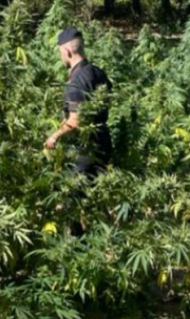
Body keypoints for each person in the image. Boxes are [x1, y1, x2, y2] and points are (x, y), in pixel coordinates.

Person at [44, 26, 114, 235]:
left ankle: (78, 247)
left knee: (70, 201)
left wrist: (54, 136)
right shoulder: (97, 72)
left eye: (60, 52)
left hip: (85, 149)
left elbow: (75, 121)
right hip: (103, 142)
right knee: (97, 199)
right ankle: (105, 240)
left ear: (67, 51)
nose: (60, 57)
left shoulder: (76, 82)